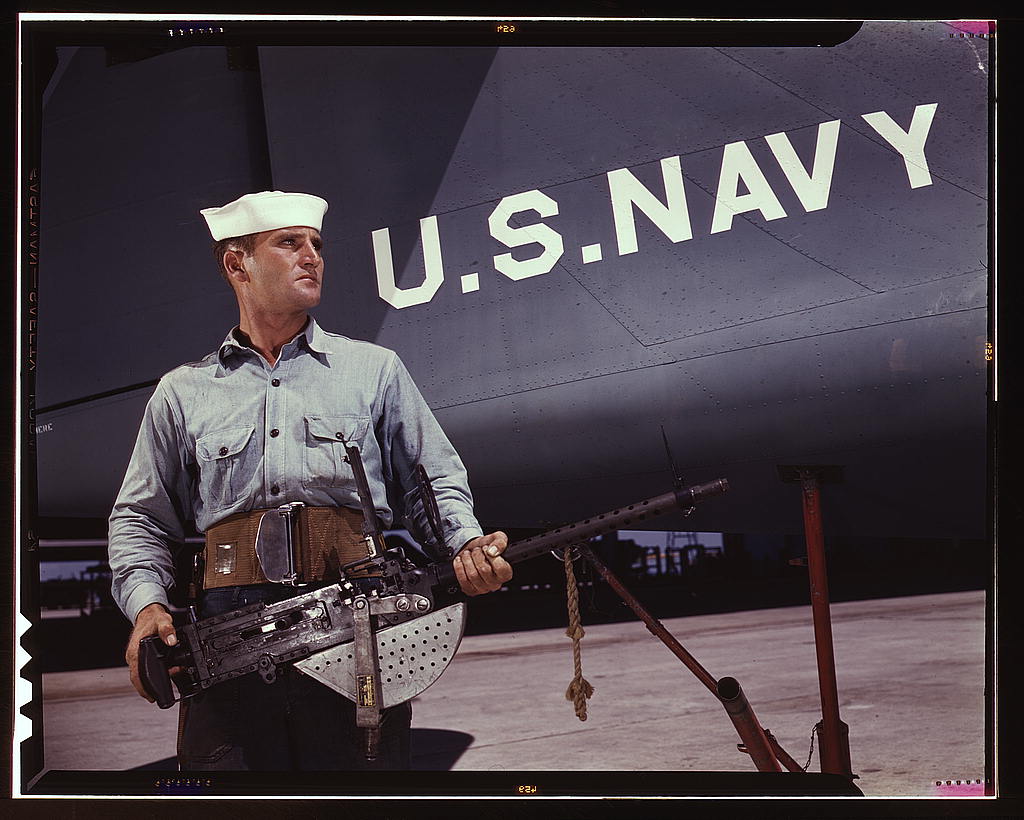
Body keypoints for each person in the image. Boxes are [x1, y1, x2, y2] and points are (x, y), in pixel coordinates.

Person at [108, 190, 513, 770]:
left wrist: (465, 546)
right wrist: (147, 604)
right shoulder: (183, 392)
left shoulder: (373, 371)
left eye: (317, 245)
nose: (311, 257)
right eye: (289, 243)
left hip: (358, 629)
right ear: (236, 263)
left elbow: (432, 483)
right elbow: (139, 519)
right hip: (230, 640)